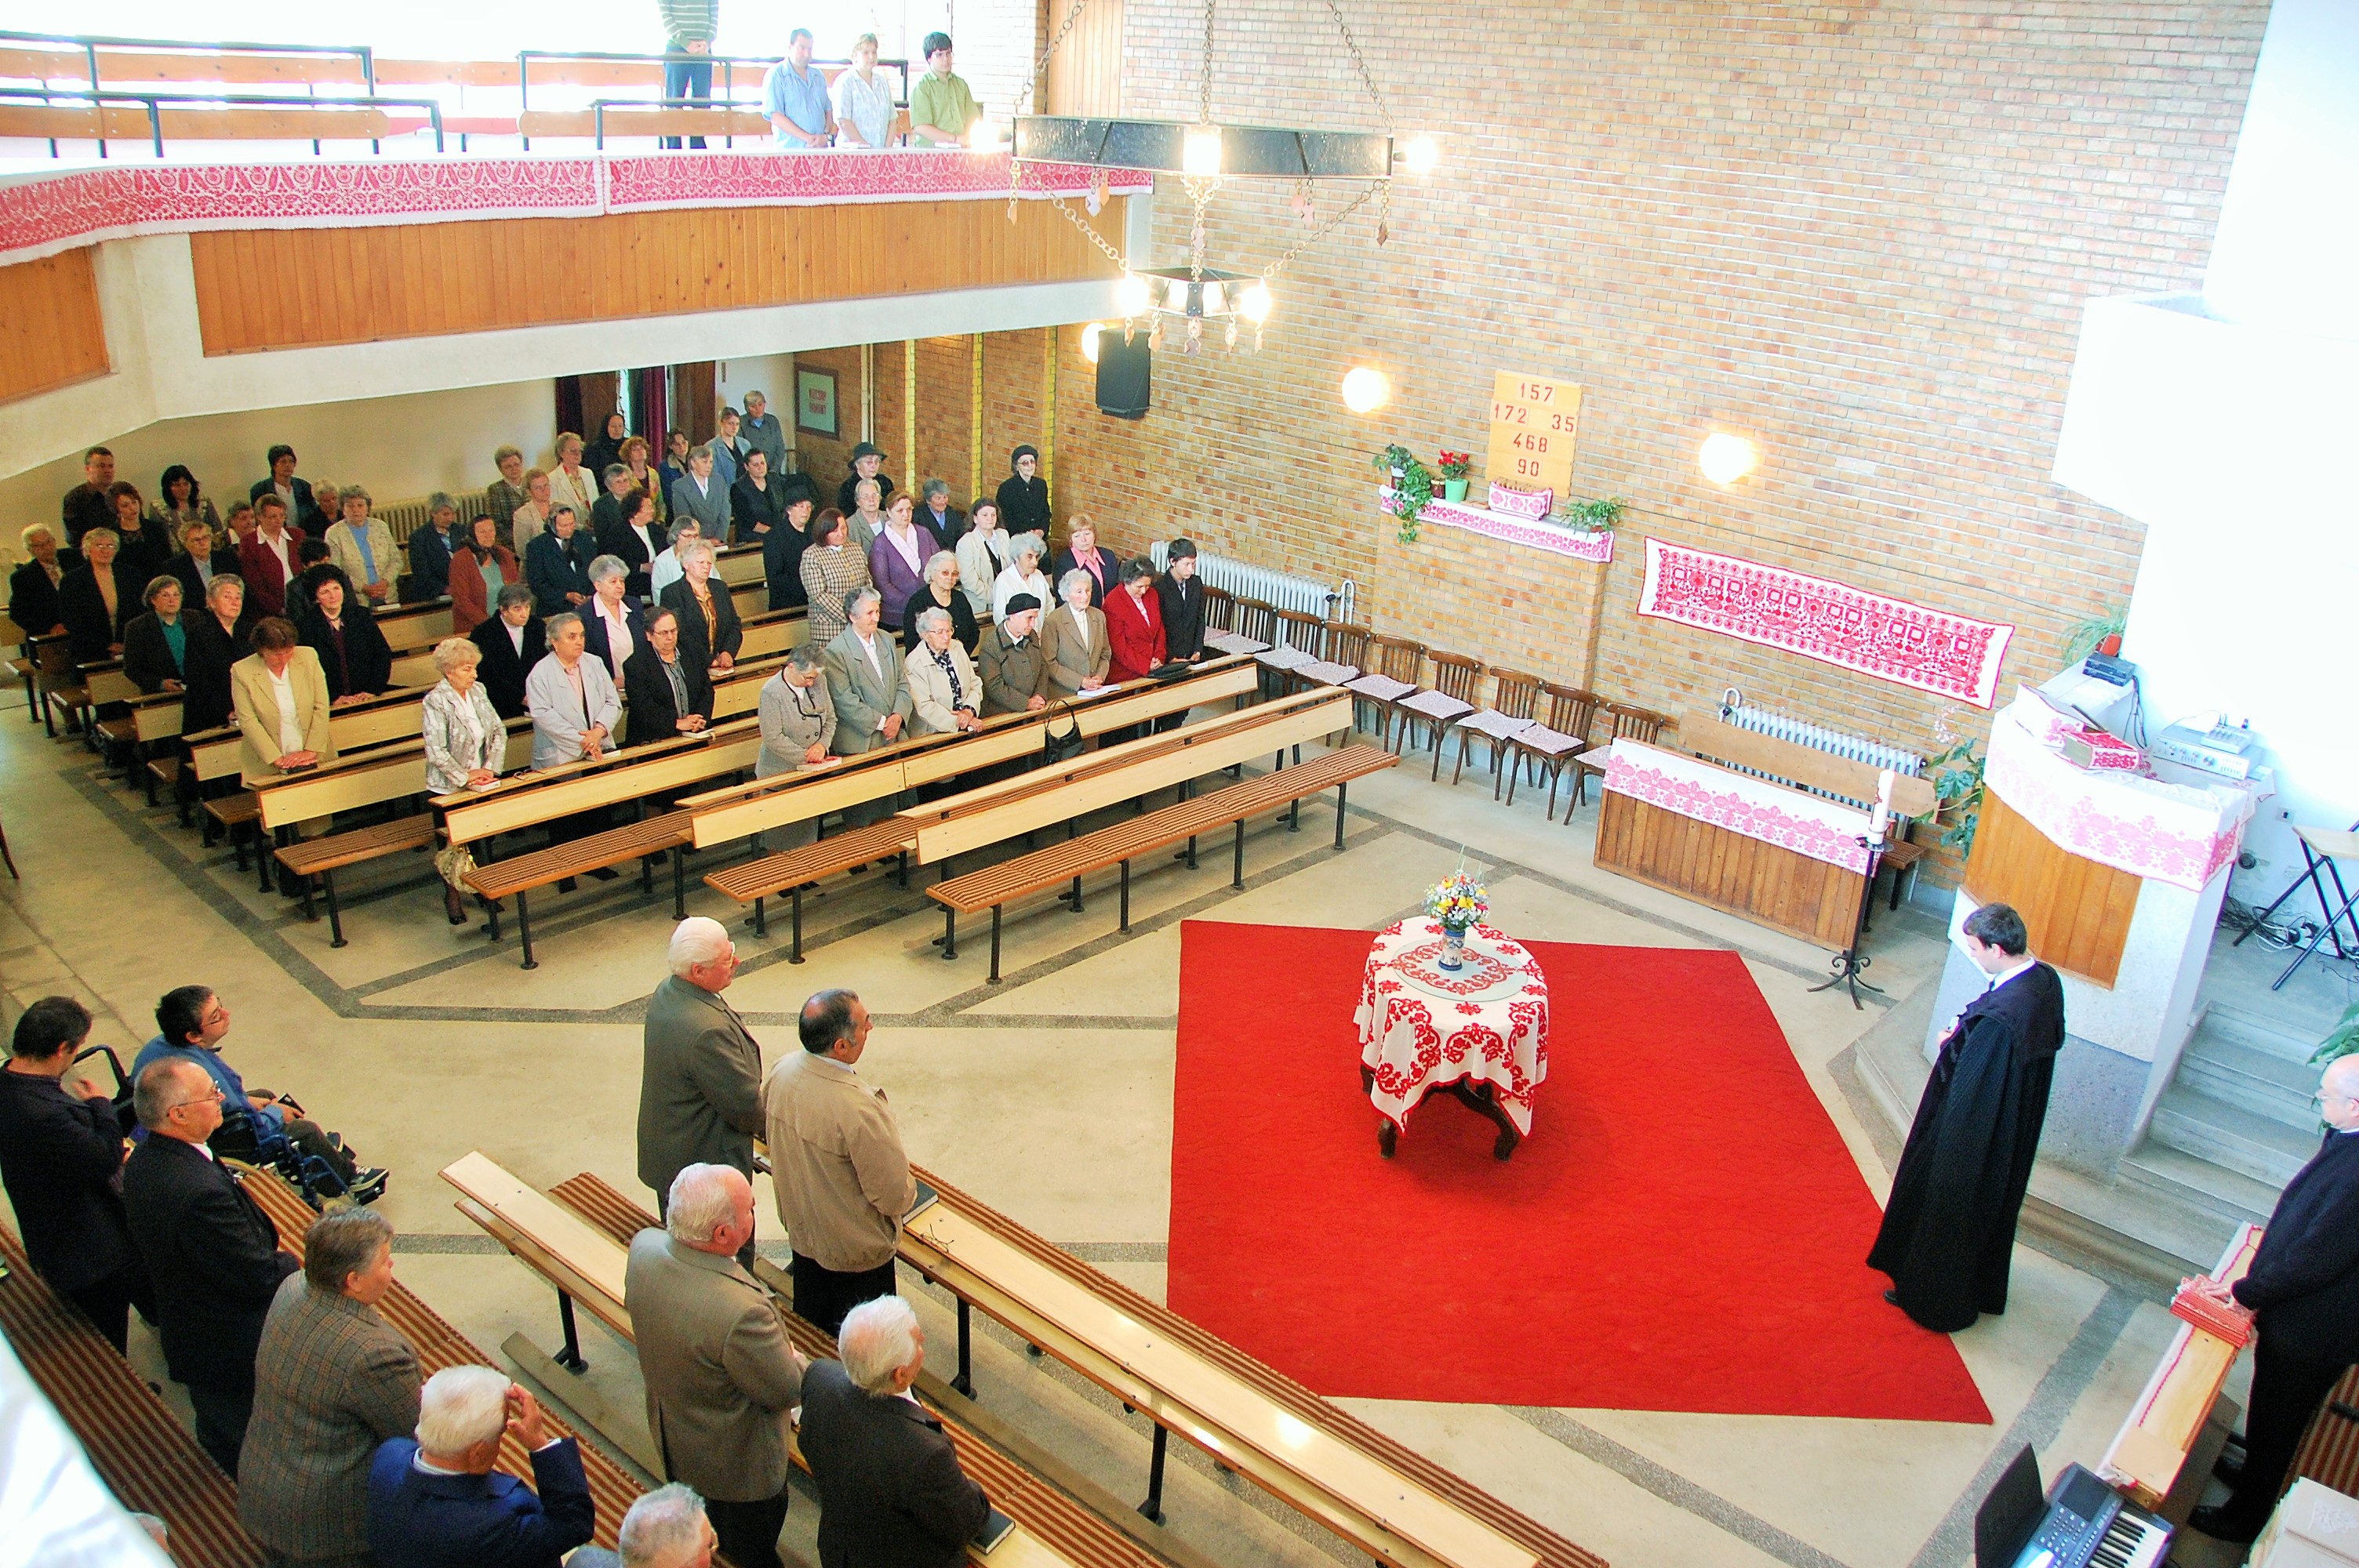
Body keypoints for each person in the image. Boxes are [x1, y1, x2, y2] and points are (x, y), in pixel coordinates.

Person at [2183, 1053, 2359, 1543]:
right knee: (2268, 1411)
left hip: (2314, 1330)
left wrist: (2247, 1291)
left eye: (2326, 1096)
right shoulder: (2346, 1137)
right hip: (2304, 1318)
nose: (2320, 1101)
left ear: (2357, 1105)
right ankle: (2255, 1472)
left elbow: (2318, 1257)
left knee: (2280, 1419)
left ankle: (2245, 1517)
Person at [1868, 902, 2062, 1333]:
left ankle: (1931, 1298)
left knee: (1946, 1200)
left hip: (1970, 1132)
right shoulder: (2044, 980)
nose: (1972, 956)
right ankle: (1980, 1287)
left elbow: (1973, 1081)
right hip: (2010, 1124)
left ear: (1996, 948)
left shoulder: (1999, 1020)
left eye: (1975, 949)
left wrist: (1948, 1043)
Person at [122, 1057, 302, 1475]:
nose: (221, 1097)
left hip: (191, 1322)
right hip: (229, 1341)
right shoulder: (197, 1192)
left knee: (219, 1423)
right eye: (211, 1094)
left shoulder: (147, 1159)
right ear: (178, 1114)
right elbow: (254, 1274)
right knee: (246, 1437)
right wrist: (292, 1263)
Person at [625, 1165, 808, 1568]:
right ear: (723, 1235)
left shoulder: (644, 1248)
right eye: (750, 1209)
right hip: (736, 1471)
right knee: (752, 1552)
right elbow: (786, 1388)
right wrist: (794, 1358)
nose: (756, 1211)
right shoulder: (741, 1313)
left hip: (677, 1436)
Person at [239, 1209, 421, 1568]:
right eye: (385, 1261)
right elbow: (419, 1433)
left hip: (263, 1489)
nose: (392, 1267)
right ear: (353, 1280)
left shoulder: (292, 1289)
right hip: (327, 1530)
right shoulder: (373, 1354)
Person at [0, 996, 153, 1355]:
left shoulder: (8, 1083)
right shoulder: (44, 1113)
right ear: (61, 1049)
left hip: (50, 1232)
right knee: (107, 1336)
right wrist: (100, 1106)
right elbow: (103, 1159)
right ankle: (120, 1392)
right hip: (89, 1252)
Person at [132, 984, 380, 1200]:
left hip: (164, 1120)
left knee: (264, 1094)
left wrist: (249, 1100)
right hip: (221, 1139)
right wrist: (275, 1113)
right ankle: (348, 1180)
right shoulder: (203, 1075)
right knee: (303, 1130)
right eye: (217, 1016)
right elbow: (249, 1124)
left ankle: (315, 1150)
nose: (227, 1014)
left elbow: (231, 1101)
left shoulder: (158, 1047)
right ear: (194, 1035)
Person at [764, 989, 915, 1335]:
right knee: (867, 1354)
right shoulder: (859, 1108)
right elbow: (892, 1196)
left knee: (814, 1330)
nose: (871, 1027)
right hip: (855, 1256)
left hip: (804, 1234)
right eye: (865, 1024)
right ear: (841, 1047)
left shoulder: (782, 1071)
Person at [800, 1295, 990, 1568]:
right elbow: (967, 1520)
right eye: (917, 1340)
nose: (923, 1339)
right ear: (900, 1376)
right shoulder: (924, 1455)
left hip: (843, 1551)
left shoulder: (819, 1379)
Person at [365, 1367, 595, 1568]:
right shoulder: (492, 1525)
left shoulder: (389, 1456)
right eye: (500, 1433)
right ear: (477, 1452)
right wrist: (539, 1444)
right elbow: (573, 1524)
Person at [638, 918, 766, 1221]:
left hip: (671, 1150)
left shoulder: (670, 990)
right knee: (723, 1251)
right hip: (703, 1169)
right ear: (698, 971)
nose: (737, 961)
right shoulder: (706, 1032)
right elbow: (745, 1106)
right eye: (726, 959)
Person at [423, 637, 510, 918]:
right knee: (453, 845)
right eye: (466, 669)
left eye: (473, 668)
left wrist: (489, 769)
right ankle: (451, 896)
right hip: (449, 785)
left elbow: (498, 730)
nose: (473, 674)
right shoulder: (436, 701)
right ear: (449, 671)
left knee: (483, 838)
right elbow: (436, 750)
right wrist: (465, 775)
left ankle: (485, 890)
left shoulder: (478, 691)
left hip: (482, 779)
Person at [823, 590, 912, 825]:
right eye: (870, 613)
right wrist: (883, 723)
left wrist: (898, 717)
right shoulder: (837, 651)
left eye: (878, 611)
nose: (875, 617)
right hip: (861, 739)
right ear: (852, 617)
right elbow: (844, 700)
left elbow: (903, 683)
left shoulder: (886, 639)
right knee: (865, 811)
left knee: (894, 805)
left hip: (893, 732)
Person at [231, 617, 336, 792]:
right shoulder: (242, 671)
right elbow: (248, 720)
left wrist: (311, 750)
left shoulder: (308, 656)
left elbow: (321, 705)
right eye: (276, 654)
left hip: (314, 753)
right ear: (262, 650)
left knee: (318, 811)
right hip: (267, 760)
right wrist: (277, 759)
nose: (284, 658)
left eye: (288, 651)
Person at [525, 613, 620, 772]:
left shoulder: (595, 662)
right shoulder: (540, 674)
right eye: (572, 637)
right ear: (554, 641)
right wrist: (585, 740)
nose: (579, 641)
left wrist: (598, 732)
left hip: (601, 749)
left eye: (582, 636)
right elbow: (543, 716)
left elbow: (613, 702)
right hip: (561, 757)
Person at [754, 641, 835, 818]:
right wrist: (808, 757)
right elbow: (772, 738)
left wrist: (822, 746)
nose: (811, 682)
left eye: (814, 677)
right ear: (791, 667)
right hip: (781, 773)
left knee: (813, 828)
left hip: (814, 771)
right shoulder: (771, 692)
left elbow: (830, 718)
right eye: (807, 678)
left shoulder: (819, 681)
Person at [623, 608, 715, 749]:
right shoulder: (636, 665)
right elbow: (643, 706)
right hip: (655, 740)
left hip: (694, 732)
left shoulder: (691, 651)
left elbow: (706, 689)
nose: (670, 637)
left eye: (673, 631)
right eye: (664, 633)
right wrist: (677, 723)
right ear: (649, 635)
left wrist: (700, 718)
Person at [298, 575, 394, 707]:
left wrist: (372, 689)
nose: (333, 596)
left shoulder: (361, 615)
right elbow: (306, 671)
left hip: (367, 693)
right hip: (329, 699)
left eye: (336, 588)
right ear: (316, 598)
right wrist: (333, 698)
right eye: (325, 592)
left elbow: (382, 654)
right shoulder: (306, 625)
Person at [182, 575, 254, 735]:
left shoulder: (249, 631)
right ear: (211, 602)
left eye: (238, 597)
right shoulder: (199, 635)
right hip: (210, 713)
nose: (235, 602)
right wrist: (228, 710)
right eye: (227, 597)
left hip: (248, 709)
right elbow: (198, 682)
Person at [661, 539, 740, 675]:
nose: (706, 567)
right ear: (686, 564)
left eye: (709, 563)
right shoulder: (672, 593)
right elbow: (680, 634)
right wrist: (709, 660)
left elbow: (734, 623)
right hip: (691, 666)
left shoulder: (720, 587)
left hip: (723, 663)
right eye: (701, 562)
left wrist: (727, 653)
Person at [903, 608, 984, 739]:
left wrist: (969, 711)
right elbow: (925, 707)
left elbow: (975, 684)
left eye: (949, 630)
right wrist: (962, 721)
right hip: (932, 734)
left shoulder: (957, 647)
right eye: (940, 632)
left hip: (968, 725)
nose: (946, 637)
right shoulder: (915, 662)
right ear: (925, 635)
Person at [469, 586, 544, 721]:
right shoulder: (483, 634)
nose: (524, 613)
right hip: (501, 703)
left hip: (538, 698)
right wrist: (520, 697)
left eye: (527, 607)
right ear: (503, 610)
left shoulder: (537, 627)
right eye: (517, 609)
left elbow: (545, 664)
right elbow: (487, 676)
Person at [800, 509, 874, 647]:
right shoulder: (812, 555)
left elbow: (867, 581)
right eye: (834, 530)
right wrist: (851, 615)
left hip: (860, 623)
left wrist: (864, 610)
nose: (841, 533)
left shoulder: (855, 548)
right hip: (829, 628)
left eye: (844, 528)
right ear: (824, 531)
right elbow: (819, 595)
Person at [60, 528, 135, 661]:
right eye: (99, 545)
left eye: (110, 546)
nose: (105, 551)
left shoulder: (129, 574)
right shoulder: (73, 580)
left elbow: (138, 611)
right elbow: (72, 619)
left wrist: (125, 643)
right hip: (91, 649)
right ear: (88, 549)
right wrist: (107, 645)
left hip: (128, 646)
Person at [1042, 568, 1110, 698]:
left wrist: (1099, 677)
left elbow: (1105, 653)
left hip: (1095, 691)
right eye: (1079, 592)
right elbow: (1048, 662)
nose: (1085, 596)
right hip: (1065, 694)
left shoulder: (1099, 616)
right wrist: (1080, 681)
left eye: (1088, 591)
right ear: (1066, 596)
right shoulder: (1054, 621)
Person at [658, 0, 716, 151]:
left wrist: (707, 42)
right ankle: (673, 149)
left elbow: (714, 11)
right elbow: (666, 14)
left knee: (702, 101)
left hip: (703, 51)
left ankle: (698, 148)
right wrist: (686, 43)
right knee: (675, 101)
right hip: (677, 49)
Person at [763, 28, 834, 149]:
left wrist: (825, 136)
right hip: (790, 152)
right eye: (802, 48)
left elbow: (828, 109)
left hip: (820, 150)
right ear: (790, 47)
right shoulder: (777, 75)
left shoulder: (818, 76)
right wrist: (807, 138)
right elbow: (776, 116)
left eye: (810, 49)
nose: (807, 54)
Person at [449, 514, 520, 636]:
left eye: (491, 530)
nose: (488, 535)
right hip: (475, 627)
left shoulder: (505, 554)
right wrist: (490, 624)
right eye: (482, 532)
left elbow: (515, 590)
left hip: (507, 624)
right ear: (472, 535)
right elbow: (461, 599)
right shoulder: (461, 559)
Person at [582, 555, 649, 684]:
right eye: (613, 582)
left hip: (641, 681)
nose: (620, 586)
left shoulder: (634, 606)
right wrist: (610, 681)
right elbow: (586, 659)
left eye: (622, 581)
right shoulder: (585, 616)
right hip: (606, 685)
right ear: (598, 585)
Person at [122, 575, 194, 695]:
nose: (172, 600)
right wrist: (160, 684)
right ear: (153, 599)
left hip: (197, 688)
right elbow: (132, 669)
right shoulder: (137, 628)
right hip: (161, 694)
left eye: (176, 595)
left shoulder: (195, 618)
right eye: (165, 595)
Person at [980, 593, 1049, 716]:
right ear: (1013, 616)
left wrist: (1040, 695)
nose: (1033, 624)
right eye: (1029, 618)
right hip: (1003, 714)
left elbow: (1042, 666)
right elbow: (994, 686)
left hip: (1033, 708)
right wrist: (1026, 703)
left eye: (1035, 618)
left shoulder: (1031, 635)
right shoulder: (991, 646)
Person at [325, 487, 395, 606]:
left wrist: (385, 582)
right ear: (343, 509)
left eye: (360, 505)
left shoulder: (381, 527)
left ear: (368, 508)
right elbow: (335, 570)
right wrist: (363, 588)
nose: (355, 510)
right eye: (350, 506)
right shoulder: (334, 533)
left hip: (387, 593)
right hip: (356, 598)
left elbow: (396, 560)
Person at [238, 494, 307, 618]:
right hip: (271, 611)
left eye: (282, 516)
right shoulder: (249, 543)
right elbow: (254, 584)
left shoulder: (298, 535)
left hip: (303, 605)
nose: (279, 520)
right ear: (260, 517)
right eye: (273, 517)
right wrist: (278, 608)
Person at [900, 550, 978, 657]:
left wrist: (959, 657)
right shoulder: (917, 602)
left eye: (954, 574)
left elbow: (974, 633)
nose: (950, 577)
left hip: (959, 660)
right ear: (932, 574)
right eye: (945, 573)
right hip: (927, 666)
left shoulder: (960, 599)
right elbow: (912, 642)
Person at [908, 32, 979, 147]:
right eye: (939, 55)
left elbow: (974, 119)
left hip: (961, 149)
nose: (946, 59)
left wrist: (968, 138)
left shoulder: (961, 84)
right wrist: (954, 139)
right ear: (929, 58)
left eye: (948, 54)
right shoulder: (922, 87)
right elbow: (920, 126)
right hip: (931, 153)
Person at [1104, 556, 1167, 684]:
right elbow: (1119, 646)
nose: (1144, 591)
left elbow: (1159, 628)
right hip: (1125, 674)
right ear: (1127, 581)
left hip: (1154, 666)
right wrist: (1145, 665)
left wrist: (1158, 657)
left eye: (1147, 586)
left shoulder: (1152, 594)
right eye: (1139, 586)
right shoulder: (1113, 602)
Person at [525, 502, 595, 617]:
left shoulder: (584, 539)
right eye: (563, 526)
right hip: (556, 609)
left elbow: (595, 569)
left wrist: (591, 594)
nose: (569, 529)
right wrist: (565, 595)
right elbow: (537, 584)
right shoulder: (537, 547)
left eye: (572, 524)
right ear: (552, 525)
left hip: (588, 605)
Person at [603, 487, 671, 603]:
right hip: (634, 585)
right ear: (635, 512)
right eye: (648, 507)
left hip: (659, 580)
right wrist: (642, 567)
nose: (653, 511)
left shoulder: (656, 529)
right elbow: (615, 562)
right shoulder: (618, 533)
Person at [831, 32, 896, 149]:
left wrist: (886, 149)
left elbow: (892, 118)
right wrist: (865, 149)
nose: (871, 57)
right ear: (855, 55)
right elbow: (843, 120)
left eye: (874, 52)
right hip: (853, 153)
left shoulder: (882, 82)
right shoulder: (845, 81)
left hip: (880, 152)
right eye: (866, 53)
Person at [10, 522, 70, 637]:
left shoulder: (74, 558)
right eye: (39, 545)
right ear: (30, 550)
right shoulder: (22, 577)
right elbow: (18, 613)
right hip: (51, 634)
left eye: (49, 542)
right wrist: (50, 628)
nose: (47, 548)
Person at [667, 444, 728, 557]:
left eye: (711, 462)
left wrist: (719, 538)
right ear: (693, 463)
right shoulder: (680, 486)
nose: (709, 466)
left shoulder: (719, 481)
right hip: (694, 543)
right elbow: (684, 519)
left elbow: (725, 512)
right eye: (704, 462)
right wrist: (703, 541)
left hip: (719, 542)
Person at [169, 516, 243, 605]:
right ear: (185, 544)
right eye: (196, 540)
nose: (202, 543)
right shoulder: (174, 568)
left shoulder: (227, 558)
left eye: (206, 538)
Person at [251, 445, 322, 535]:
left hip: (304, 534)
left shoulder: (304, 487)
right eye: (283, 462)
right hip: (274, 535)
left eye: (291, 461)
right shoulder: (260, 489)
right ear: (274, 465)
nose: (288, 465)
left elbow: (313, 513)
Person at [1157, 536, 1207, 664]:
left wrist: (1197, 650)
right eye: (1187, 564)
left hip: (1192, 652)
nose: (1191, 569)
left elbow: (1200, 618)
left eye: (1193, 564)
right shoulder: (1160, 588)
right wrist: (1170, 656)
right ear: (1173, 562)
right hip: (1170, 655)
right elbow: (1159, 626)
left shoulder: (1196, 583)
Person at [1051, 516, 1120, 606]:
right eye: (1077, 536)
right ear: (1070, 539)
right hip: (1084, 615)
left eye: (1087, 534)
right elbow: (1063, 600)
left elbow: (1117, 589)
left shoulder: (1108, 556)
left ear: (1094, 535)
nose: (1083, 540)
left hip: (1110, 612)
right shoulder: (1063, 563)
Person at [763, 492, 814, 612]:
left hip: (813, 598)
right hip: (788, 602)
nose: (806, 511)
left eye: (808, 507)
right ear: (789, 510)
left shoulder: (814, 533)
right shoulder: (774, 537)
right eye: (801, 506)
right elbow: (775, 577)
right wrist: (808, 588)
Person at [954, 499, 1006, 615]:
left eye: (993, 515)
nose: (990, 518)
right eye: (985, 515)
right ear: (975, 519)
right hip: (979, 605)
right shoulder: (966, 542)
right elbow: (969, 580)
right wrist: (994, 596)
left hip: (1005, 599)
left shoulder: (1003, 535)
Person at [407, 494, 462, 602]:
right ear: (433, 513)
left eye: (453, 514)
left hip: (462, 588)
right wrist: (445, 589)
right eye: (446, 514)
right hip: (434, 593)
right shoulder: (419, 538)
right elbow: (421, 572)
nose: (450, 518)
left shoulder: (462, 531)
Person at [731, 448, 787, 544]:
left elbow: (784, 506)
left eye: (762, 463)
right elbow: (748, 521)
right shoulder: (738, 488)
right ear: (746, 467)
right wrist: (774, 533)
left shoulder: (774, 479)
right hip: (751, 539)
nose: (760, 467)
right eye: (755, 465)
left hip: (777, 534)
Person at [63, 445, 117, 546]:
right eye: (101, 466)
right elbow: (74, 539)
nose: (108, 471)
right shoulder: (75, 498)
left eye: (111, 466)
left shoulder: (120, 493)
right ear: (88, 469)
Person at [990, 532, 1050, 621]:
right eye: (1029, 557)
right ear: (1016, 557)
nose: (1035, 562)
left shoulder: (1039, 575)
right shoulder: (1003, 581)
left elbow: (1049, 607)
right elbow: (1001, 617)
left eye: (1037, 557)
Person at [151, 463, 221, 539]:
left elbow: (217, 529)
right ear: (168, 488)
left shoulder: (204, 502)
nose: (183, 489)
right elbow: (157, 538)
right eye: (177, 485)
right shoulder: (158, 508)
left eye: (186, 484)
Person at [995, 445, 1049, 536]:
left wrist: (1041, 531)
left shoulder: (1041, 485)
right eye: (1025, 463)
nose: (1030, 466)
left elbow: (1046, 513)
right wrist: (1027, 534)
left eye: (1032, 462)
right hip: (1016, 538)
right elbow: (1005, 519)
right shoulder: (1006, 488)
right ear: (1016, 466)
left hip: (1038, 537)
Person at [619, 434, 670, 528]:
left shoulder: (653, 473)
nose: (640, 451)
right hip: (634, 522)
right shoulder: (624, 476)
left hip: (654, 522)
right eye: (635, 449)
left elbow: (660, 501)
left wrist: (660, 520)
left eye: (642, 448)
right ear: (628, 455)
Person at [485, 446, 532, 545]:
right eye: (508, 467)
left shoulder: (530, 484)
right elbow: (496, 523)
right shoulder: (495, 490)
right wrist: (519, 539)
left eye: (516, 464)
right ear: (500, 469)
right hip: (510, 542)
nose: (514, 469)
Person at [548, 433, 599, 521]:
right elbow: (556, 511)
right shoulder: (553, 479)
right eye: (573, 451)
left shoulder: (588, 473)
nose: (577, 454)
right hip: (569, 527)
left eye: (580, 451)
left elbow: (596, 503)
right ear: (561, 453)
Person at [835, 441, 894, 517]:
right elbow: (847, 515)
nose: (874, 465)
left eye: (877, 461)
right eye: (869, 462)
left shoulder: (885, 483)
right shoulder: (848, 488)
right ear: (857, 464)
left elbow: (893, 506)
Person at [649, 517, 702, 603]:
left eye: (696, 536)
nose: (693, 540)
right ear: (675, 536)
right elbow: (659, 595)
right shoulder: (662, 561)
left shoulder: (703, 556)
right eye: (688, 536)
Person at [508, 469, 556, 557]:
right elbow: (522, 550)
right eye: (538, 488)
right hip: (535, 563)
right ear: (529, 491)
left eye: (546, 485)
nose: (544, 490)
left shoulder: (560, 506)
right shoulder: (522, 515)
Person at [590, 461, 638, 541]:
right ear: (609, 485)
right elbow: (602, 536)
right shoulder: (600, 505)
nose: (623, 485)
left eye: (625, 480)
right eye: (618, 482)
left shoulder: (637, 499)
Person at [914, 477, 966, 549]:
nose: (943, 502)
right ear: (928, 500)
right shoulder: (918, 516)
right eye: (938, 498)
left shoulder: (952, 513)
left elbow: (961, 537)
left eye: (945, 497)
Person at [845, 476, 886, 554]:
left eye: (874, 495)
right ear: (858, 501)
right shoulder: (850, 525)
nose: (871, 500)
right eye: (866, 496)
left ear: (880, 498)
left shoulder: (889, 518)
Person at [586, 410, 631, 482]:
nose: (617, 430)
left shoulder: (628, 445)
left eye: (620, 426)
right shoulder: (595, 448)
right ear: (606, 427)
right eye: (613, 426)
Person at [709, 407, 747, 490]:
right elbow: (714, 477)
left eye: (737, 424)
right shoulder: (711, 447)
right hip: (725, 492)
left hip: (745, 492)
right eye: (730, 423)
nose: (734, 427)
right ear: (721, 423)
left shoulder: (745, 444)